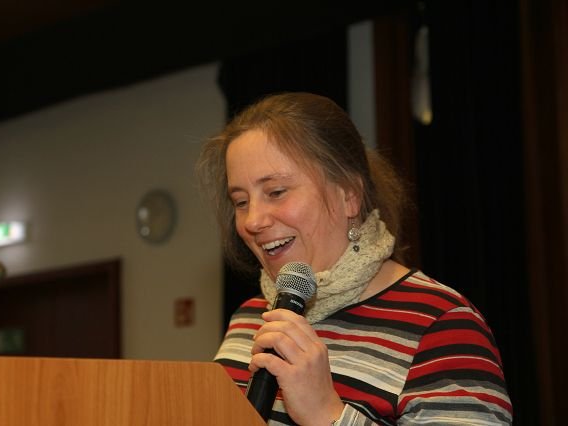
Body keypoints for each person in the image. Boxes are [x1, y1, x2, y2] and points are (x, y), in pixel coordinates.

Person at [196, 92, 512, 425]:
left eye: (276, 192)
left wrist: (326, 413)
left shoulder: (443, 325)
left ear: (349, 195)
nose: (253, 221)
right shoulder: (249, 318)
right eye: (241, 202)